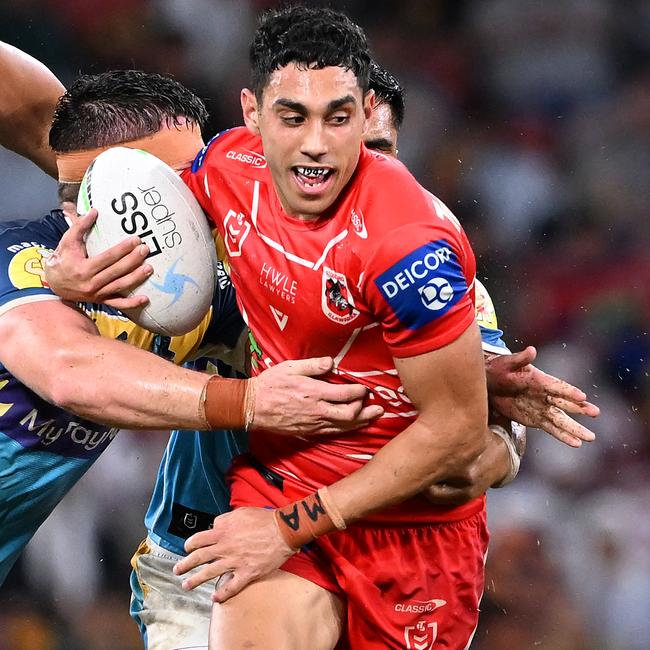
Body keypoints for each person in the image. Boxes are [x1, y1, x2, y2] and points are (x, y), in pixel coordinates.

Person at [38, 63, 598, 648]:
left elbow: (487, 439)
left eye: (376, 152)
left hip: (366, 547)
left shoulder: (430, 280)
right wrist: (65, 279)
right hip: (208, 550)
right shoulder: (209, 241)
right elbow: (78, 359)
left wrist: (492, 447)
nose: (352, 171)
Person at [0, 47, 381, 587]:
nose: (213, 193)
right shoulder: (22, 259)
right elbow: (70, 370)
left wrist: (465, 361)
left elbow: (333, 339)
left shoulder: (202, 291)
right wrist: (250, 402)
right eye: (190, 180)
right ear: (120, 195)